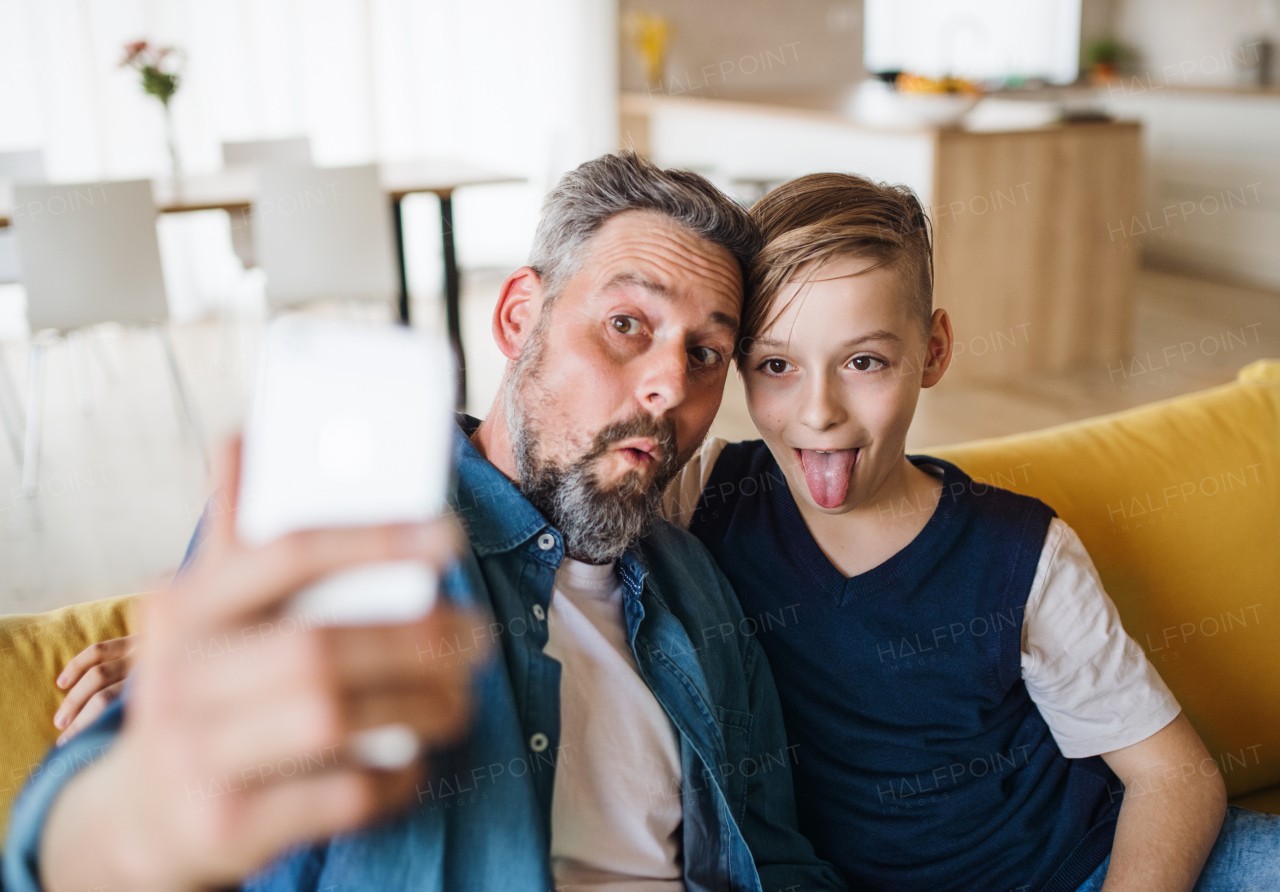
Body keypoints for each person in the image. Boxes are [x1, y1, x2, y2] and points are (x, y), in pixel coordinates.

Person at [4, 153, 844, 892]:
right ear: (521, 318)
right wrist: (141, 819)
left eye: (703, 354)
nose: (669, 386)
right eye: (628, 325)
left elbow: (775, 854)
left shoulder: (698, 588)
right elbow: (125, 823)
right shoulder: (351, 537)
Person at [662, 172, 1280, 892]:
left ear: (932, 349)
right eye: (777, 365)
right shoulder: (707, 497)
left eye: (864, 361)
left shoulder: (1021, 550)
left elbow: (1173, 775)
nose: (819, 410)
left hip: (1093, 862)